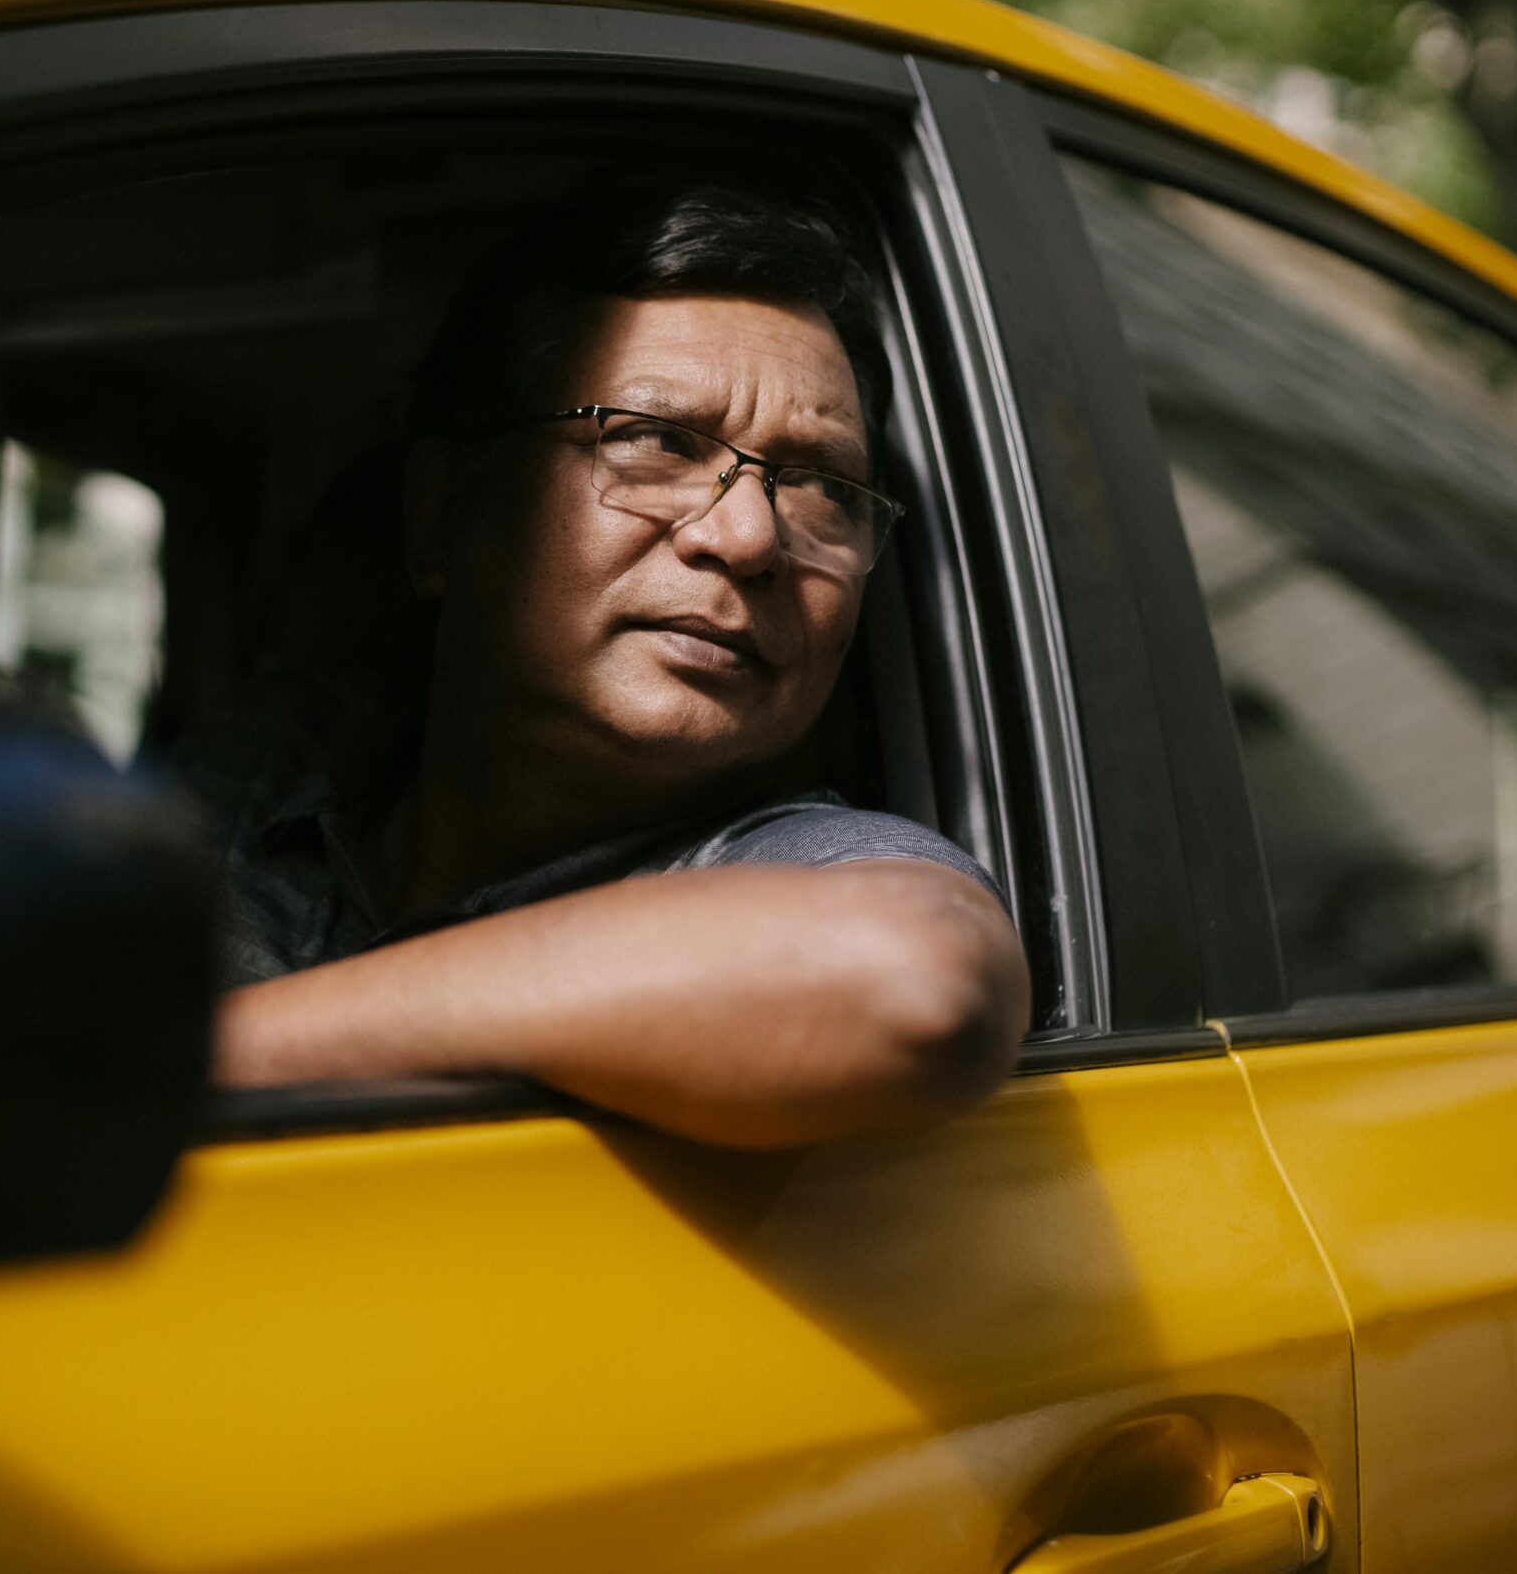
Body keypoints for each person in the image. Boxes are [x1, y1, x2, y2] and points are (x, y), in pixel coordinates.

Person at [203, 181, 1029, 1148]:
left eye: (819, 484)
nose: (749, 533)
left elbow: (913, 981)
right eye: (657, 442)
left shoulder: (772, 871)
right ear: (444, 516)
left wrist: (194, 1059)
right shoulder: (285, 750)